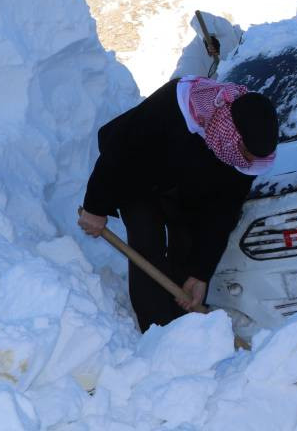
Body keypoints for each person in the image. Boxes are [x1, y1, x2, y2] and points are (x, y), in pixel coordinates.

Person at [78, 76, 278, 331]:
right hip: (138, 175)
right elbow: (120, 151)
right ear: (233, 135)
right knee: (146, 245)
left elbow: (222, 214)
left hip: (189, 185)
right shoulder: (177, 105)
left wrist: (200, 274)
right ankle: (157, 333)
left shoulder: (240, 155)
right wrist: (94, 208)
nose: (248, 162)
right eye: (247, 154)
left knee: (189, 245)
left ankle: (185, 331)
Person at [171, 12, 243, 80]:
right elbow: (199, 17)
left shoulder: (239, 58)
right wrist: (210, 37)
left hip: (198, 86)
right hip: (183, 76)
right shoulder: (228, 29)